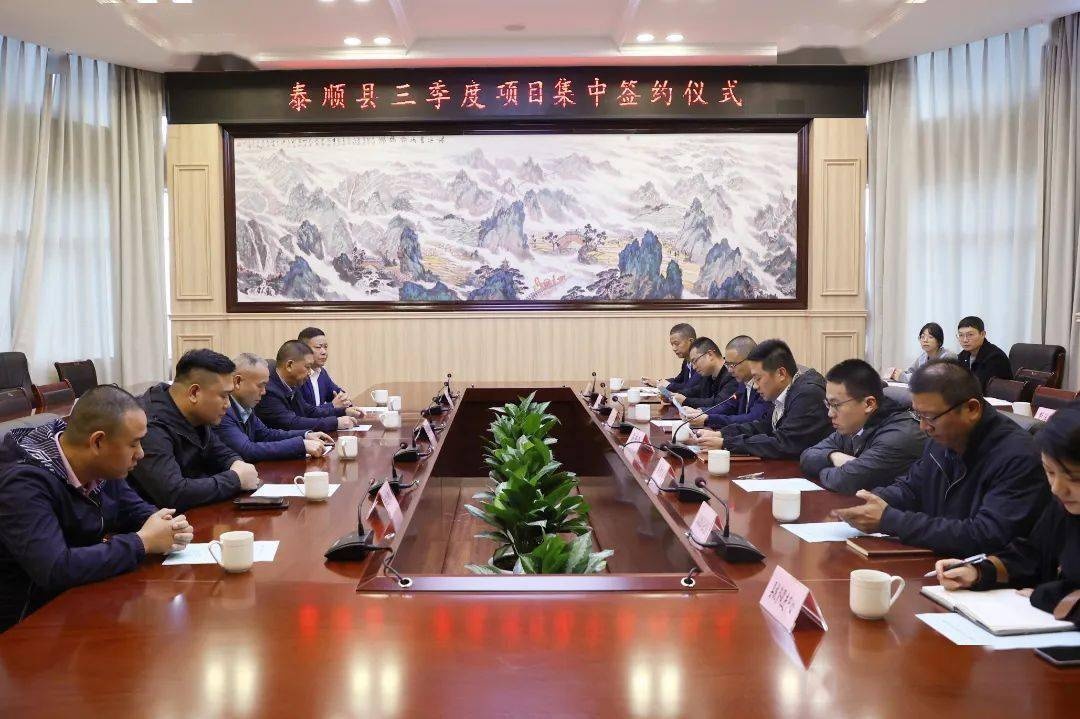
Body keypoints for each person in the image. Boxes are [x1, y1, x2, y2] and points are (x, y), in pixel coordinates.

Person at [0, 385, 194, 632]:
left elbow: (134, 510)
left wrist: (168, 526)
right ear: (98, 441)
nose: (141, 454)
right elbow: (55, 568)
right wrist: (142, 542)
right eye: (134, 444)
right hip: (28, 626)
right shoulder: (22, 485)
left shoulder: (98, 465)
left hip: (79, 602)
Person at [833, 360, 1049, 557]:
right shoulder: (941, 438)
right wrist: (869, 501)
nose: (923, 427)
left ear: (971, 409)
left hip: (982, 574)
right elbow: (912, 488)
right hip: (939, 561)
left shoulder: (1017, 456)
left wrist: (890, 520)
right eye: (918, 415)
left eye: (930, 417)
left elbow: (985, 534)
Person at [934, 405, 1080, 625]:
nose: (1057, 488)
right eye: (1050, 472)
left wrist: (1049, 597)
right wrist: (978, 572)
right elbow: (1031, 556)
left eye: (1075, 478)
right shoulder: (1062, 506)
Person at [129, 350, 260, 511]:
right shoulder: (148, 425)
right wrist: (235, 480)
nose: (228, 404)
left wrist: (236, 463)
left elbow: (219, 452)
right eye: (224, 396)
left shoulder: (195, 412)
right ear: (194, 393)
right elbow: (172, 493)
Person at [686, 339, 831, 459]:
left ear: (781, 373)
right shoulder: (784, 391)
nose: (754, 386)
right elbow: (763, 426)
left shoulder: (807, 395)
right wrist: (721, 434)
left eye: (758, 378)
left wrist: (726, 443)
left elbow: (783, 443)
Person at [800, 359, 927, 495]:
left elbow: (844, 480)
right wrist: (833, 456)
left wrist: (824, 469)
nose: (830, 413)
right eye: (828, 404)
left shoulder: (898, 437)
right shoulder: (853, 425)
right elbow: (807, 456)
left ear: (869, 404)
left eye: (836, 405)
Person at [215, 353, 336, 462]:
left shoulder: (244, 405)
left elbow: (266, 434)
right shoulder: (223, 410)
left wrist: (306, 435)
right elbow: (247, 450)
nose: (264, 392)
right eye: (260, 386)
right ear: (238, 381)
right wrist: (301, 445)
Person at [256, 340, 363, 433]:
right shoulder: (268, 389)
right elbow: (291, 423)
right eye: (307, 367)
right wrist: (335, 422)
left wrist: (343, 411)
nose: (310, 372)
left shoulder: (292, 381)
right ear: (289, 365)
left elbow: (307, 411)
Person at [684, 335, 771, 429]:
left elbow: (752, 419)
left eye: (733, 365)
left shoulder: (765, 385)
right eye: (727, 365)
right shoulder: (743, 382)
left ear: (751, 360)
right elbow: (729, 405)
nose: (729, 370)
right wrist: (700, 412)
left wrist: (708, 419)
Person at [669, 337, 738, 409]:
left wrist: (686, 401)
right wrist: (674, 395)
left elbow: (718, 403)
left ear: (710, 354)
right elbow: (696, 390)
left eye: (695, 361)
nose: (694, 367)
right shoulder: (708, 374)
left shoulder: (732, 374)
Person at [297, 327, 352, 411]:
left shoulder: (321, 372)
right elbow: (304, 412)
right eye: (318, 347)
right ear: (303, 350)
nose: (324, 352)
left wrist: (345, 401)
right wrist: (332, 406)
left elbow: (338, 394)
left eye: (325, 347)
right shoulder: (298, 375)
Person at [955, 316, 1012, 392]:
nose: (965, 340)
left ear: (982, 334)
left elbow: (981, 387)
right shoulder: (963, 355)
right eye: (961, 335)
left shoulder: (995, 357)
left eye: (970, 335)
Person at [642, 323, 701, 396]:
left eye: (677, 344)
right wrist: (657, 382)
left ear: (691, 341)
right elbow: (678, 380)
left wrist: (664, 385)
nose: (674, 348)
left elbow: (689, 387)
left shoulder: (701, 362)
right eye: (672, 344)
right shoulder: (687, 360)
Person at [889, 322, 956, 383]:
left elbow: (931, 379)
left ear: (939, 341)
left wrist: (902, 377)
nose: (925, 340)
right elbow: (911, 372)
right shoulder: (923, 357)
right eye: (922, 337)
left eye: (930, 337)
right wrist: (896, 373)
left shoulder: (948, 356)